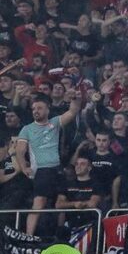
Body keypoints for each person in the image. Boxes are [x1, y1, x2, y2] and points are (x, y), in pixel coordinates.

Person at [15, 93, 81, 235]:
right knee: (39, 203)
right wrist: (24, 167)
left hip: (58, 169)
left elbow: (72, 111)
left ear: (47, 110)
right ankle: (28, 236)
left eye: (39, 108)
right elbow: (20, 151)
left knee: (61, 202)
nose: (36, 111)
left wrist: (75, 99)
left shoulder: (55, 122)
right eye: (33, 109)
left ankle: (60, 234)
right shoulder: (27, 129)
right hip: (42, 170)